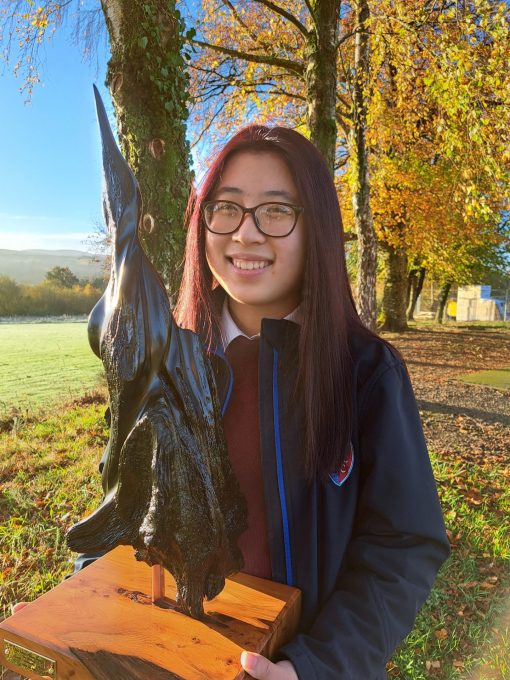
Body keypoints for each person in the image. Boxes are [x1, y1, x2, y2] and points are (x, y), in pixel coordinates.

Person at [174, 125, 450, 680]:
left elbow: (404, 543)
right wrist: (83, 601)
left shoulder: (367, 373)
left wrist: (315, 666)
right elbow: (126, 509)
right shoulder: (171, 365)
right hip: (180, 657)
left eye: (275, 211)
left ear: (317, 228)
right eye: (226, 208)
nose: (245, 235)